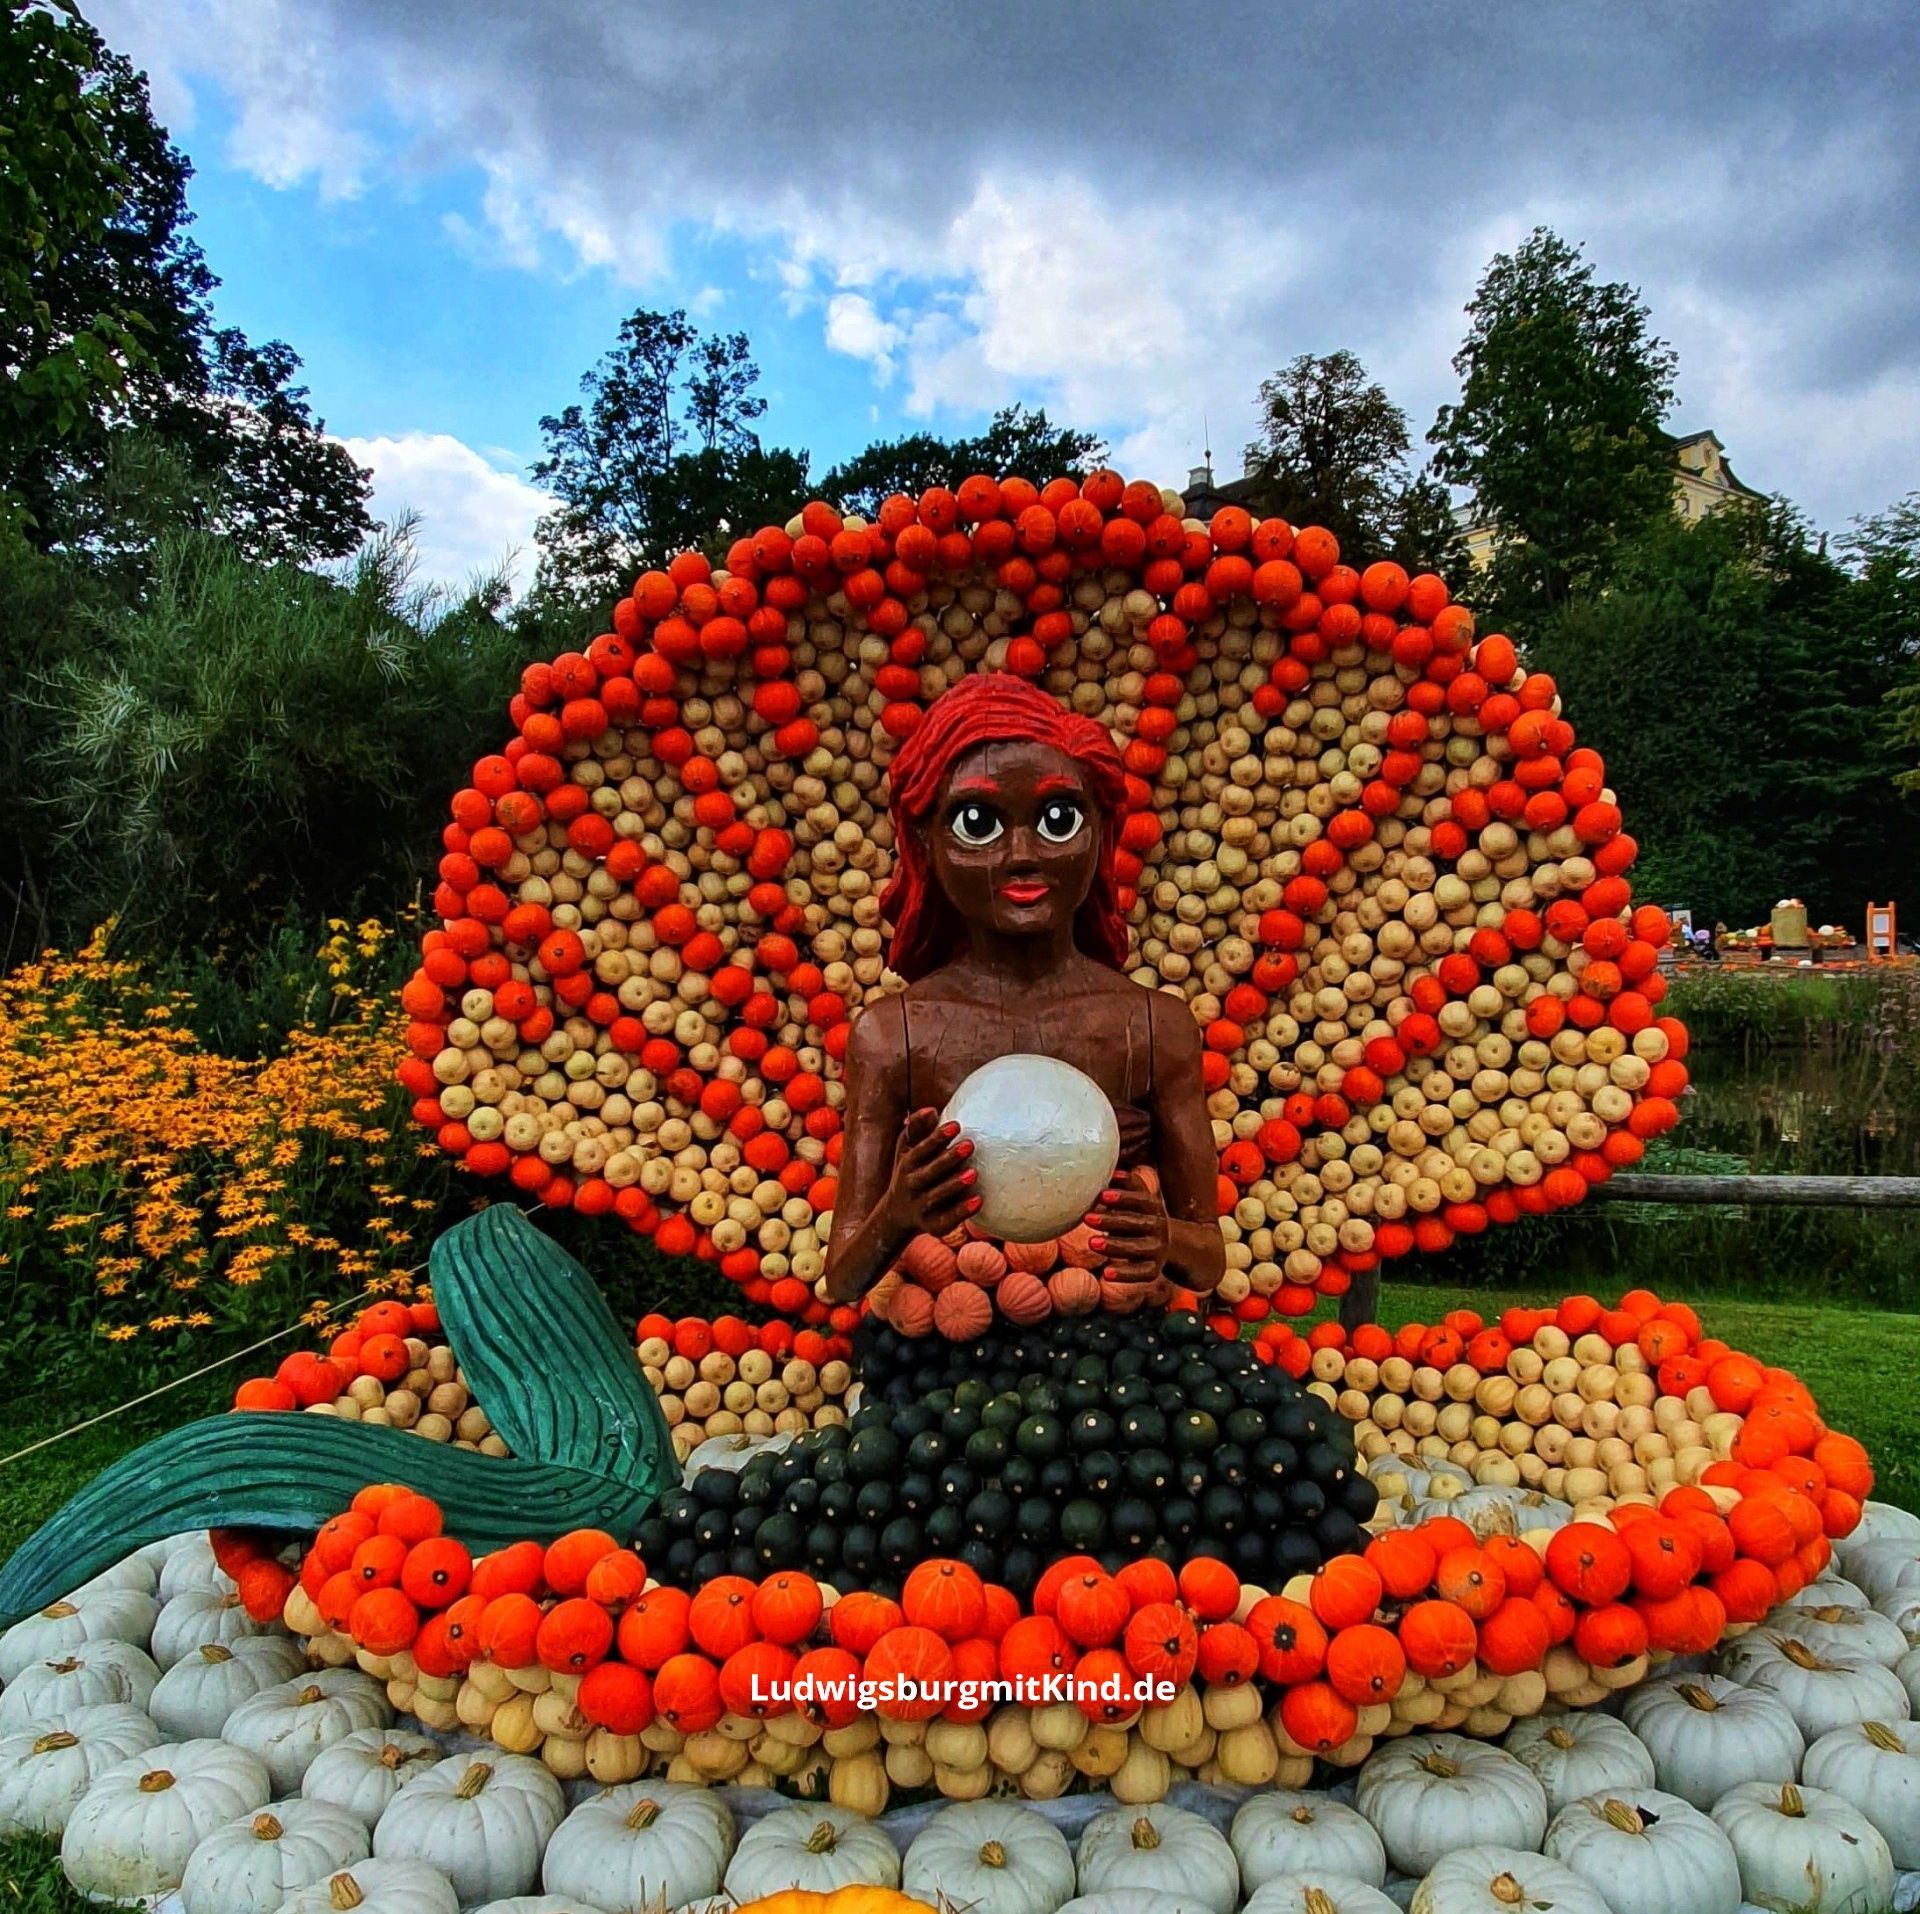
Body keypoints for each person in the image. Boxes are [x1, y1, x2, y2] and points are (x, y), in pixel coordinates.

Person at [824, 672, 1226, 1310]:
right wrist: (899, 1211)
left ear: (1100, 832)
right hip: (946, 1372)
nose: (1022, 854)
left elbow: (1207, 1261)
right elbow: (843, 1279)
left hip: (1120, 1362)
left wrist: (1165, 1241)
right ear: (925, 842)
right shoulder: (895, 1033)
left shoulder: (1153, 1025)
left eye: (1058, 820)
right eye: (977, 822)